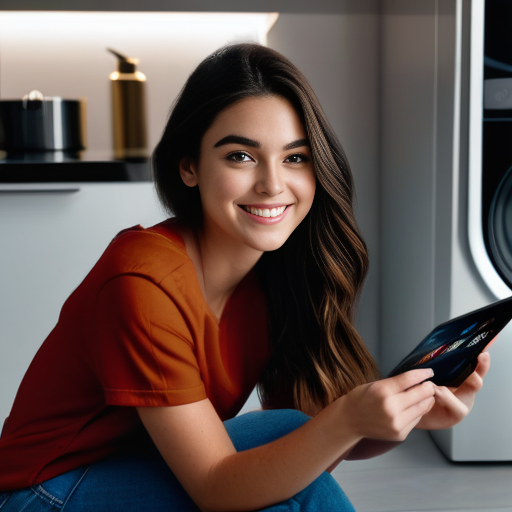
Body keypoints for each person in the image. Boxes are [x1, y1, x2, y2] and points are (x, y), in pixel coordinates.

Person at [0, 43, 490, 512]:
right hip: (42, 493)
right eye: (241, 156)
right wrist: (346, 419)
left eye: (295, 157)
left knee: (289, 435)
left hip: (141, 464)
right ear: (189, 165)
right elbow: (216, 486)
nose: (273, 184)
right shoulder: (143, 283)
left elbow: (309, 443)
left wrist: (405, 416)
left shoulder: (275, 276)